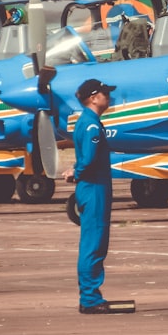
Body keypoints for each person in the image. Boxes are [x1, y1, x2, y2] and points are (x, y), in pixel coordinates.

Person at [61, 79, 133, 314]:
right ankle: (90, 298)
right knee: (94, 244)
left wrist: (75, 169)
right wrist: (78, 172)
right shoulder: (91, 125)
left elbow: (84, 157)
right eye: (104, 93)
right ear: (93, 98)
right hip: (94, 189)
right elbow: (89, 159)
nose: (108, 96)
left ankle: (91, 295)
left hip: (93, 188)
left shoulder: (88, 122)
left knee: (94, 243)